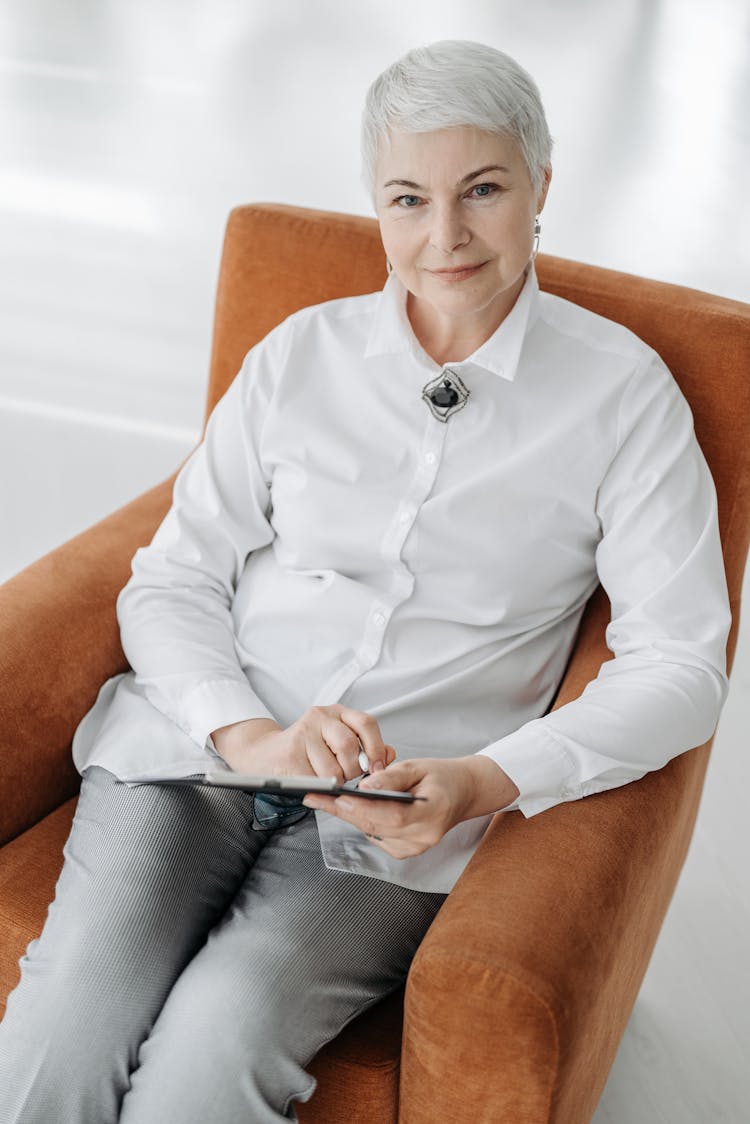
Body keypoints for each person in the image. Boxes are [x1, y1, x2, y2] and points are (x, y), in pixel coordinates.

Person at [0, 38, 730, 1123]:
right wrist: (244, 732)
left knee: (217, 1049)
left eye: (483, 189)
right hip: (194, 757)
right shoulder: (299, 356)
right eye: (408, 197)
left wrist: (487, 778)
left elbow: (681, 665)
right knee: (64, 1024)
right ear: (377, 204)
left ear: (541, 186)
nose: (445, 237)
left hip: (397, 827)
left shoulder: (626, 399)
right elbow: (173, 576)